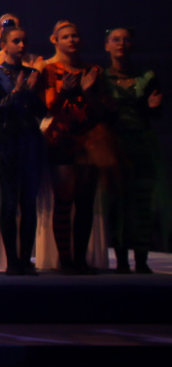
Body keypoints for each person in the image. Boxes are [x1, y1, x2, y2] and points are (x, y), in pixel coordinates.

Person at [41, 21, 113, 274]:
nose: (71, 40)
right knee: (64, 201)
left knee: (85, 203)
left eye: (75, 36)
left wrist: (89, 92)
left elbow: (104, 109)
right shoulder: (50, 69)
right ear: (55, 40)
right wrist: (68, 91)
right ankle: (66, 260)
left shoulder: (93, 70)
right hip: (62, 139)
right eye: (66, 37)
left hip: (89, 139)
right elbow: (49, 106)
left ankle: (80, 259)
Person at [0, 25, 47, 275]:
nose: (22, 46)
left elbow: (42, 112)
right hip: (7, 141)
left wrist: (29, 93)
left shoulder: (33, 74)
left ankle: (25, 259)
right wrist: (16, 92)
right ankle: (12, 260)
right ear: (4, 45)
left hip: (30, 141)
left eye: (24, 41)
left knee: (28, 203)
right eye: (16, 41)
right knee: (10, 202)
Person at [102, 28, 163, 273]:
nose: (121, 44)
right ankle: (121, 260)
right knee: (117, 203)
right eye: (115, 40)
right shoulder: (102, 78)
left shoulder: (147, 76)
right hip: (114, 146)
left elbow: (156, 113)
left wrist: (152, 107)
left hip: (142, 144)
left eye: (126, 39)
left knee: (143, 202)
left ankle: (141, 259)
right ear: (107, 46)